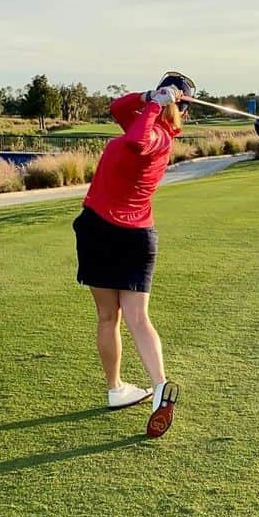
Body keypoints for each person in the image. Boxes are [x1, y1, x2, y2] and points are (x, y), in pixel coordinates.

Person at [72, 72, 195, 438]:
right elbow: (116, 108)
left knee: (114, 318)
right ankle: (126, 390)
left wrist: (154, 105)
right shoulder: (146, 121)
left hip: (106, 231)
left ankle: (152, 389)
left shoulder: (157, 135)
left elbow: (137, 142)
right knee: (129, 318)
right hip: (127, 235)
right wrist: (147, 97)